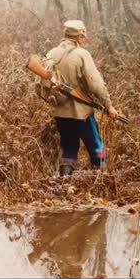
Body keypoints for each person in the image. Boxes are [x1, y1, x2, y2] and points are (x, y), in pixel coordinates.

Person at [40, 20, 118, 176]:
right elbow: (96, 85)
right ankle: (104, 181)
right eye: (84, 36)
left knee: (68, 150)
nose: (85, 40)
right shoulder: (82, 54)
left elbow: (43, 85)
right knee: (98, 149)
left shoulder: (51, 54)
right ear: (80, 36)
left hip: (61, 113)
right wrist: (109, 106)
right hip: (82, 113)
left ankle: (64, 184)